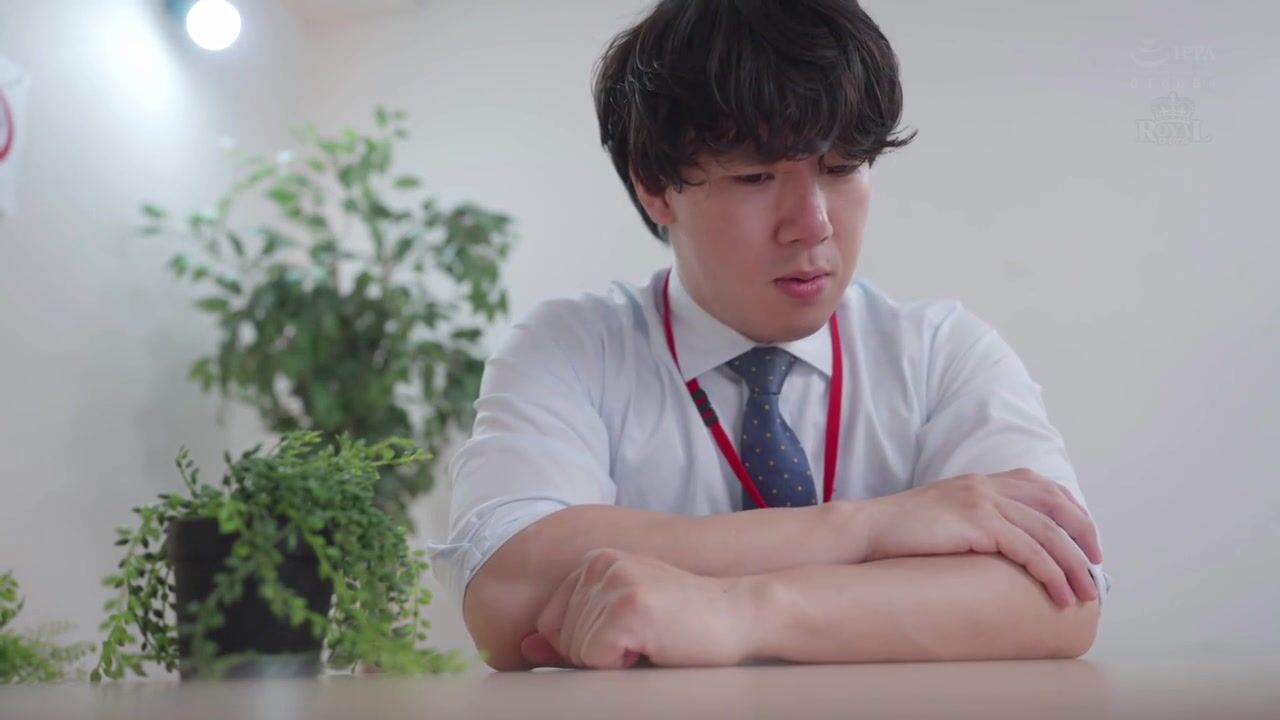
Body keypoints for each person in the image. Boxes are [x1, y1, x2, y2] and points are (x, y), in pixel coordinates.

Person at [428, 0, 1111, 671]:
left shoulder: (941, 353)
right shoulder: (570, 349)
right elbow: (505, 583)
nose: (813, 224)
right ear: (655, 186)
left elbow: (1058, 598)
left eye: (842, 168)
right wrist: (873, 527)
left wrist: (740, 611)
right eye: (756, 176)